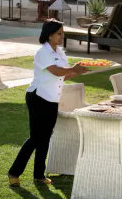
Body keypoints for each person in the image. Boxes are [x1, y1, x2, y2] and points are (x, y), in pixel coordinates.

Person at [8, 19, 87, 186]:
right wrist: (74, 68)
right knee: (36, 138)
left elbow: (63, 75)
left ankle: (39, 175)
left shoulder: (59, 52)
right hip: (38, 98)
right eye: (59, 33)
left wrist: (79, 71)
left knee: (45, 138)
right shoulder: (42, 52)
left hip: (52, 99)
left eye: (62, 33)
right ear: (50, 35)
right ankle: (14, 172)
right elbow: (55, 70)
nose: (62, 36)